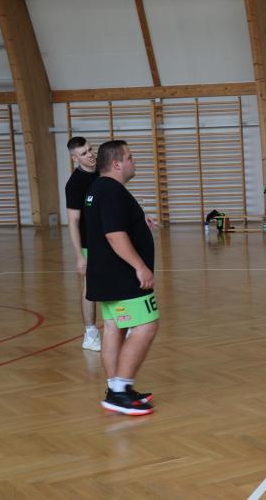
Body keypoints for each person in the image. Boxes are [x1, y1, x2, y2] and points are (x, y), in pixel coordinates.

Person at [85, 140, 158, 416]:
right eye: (129, 157)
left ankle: (116, 388)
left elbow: (111, 224)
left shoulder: (98, 189)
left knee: (114, 327)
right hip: (122, 276)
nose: (133, 161)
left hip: (105, 275)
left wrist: (139, 223)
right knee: (146, 325)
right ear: (116, 164)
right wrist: (140, 266)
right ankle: (119, 391)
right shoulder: (112, 191)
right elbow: (114, 235)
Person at [64, 136, 101, 351]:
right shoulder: (74, 184)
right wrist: (79, 256)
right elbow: (73, 221)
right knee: (91, 286)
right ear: (74, 158)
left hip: (111, 239)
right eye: (84, 153)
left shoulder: (103, 171)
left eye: (90, 150)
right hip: (90, 244)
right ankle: (90, 333)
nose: (90, 155)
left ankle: (124, 325)